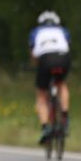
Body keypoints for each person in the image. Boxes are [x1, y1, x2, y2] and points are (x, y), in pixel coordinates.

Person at [29, 11, 71, 143]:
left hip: (46, 59)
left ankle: (45, 128)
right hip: (63, 58)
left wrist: (38, 66)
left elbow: (34, 55)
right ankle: (64, 117)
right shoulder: (63, 30)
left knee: (41, 94)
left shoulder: (35, 32)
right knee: (61, 84)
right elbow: (67, 46)